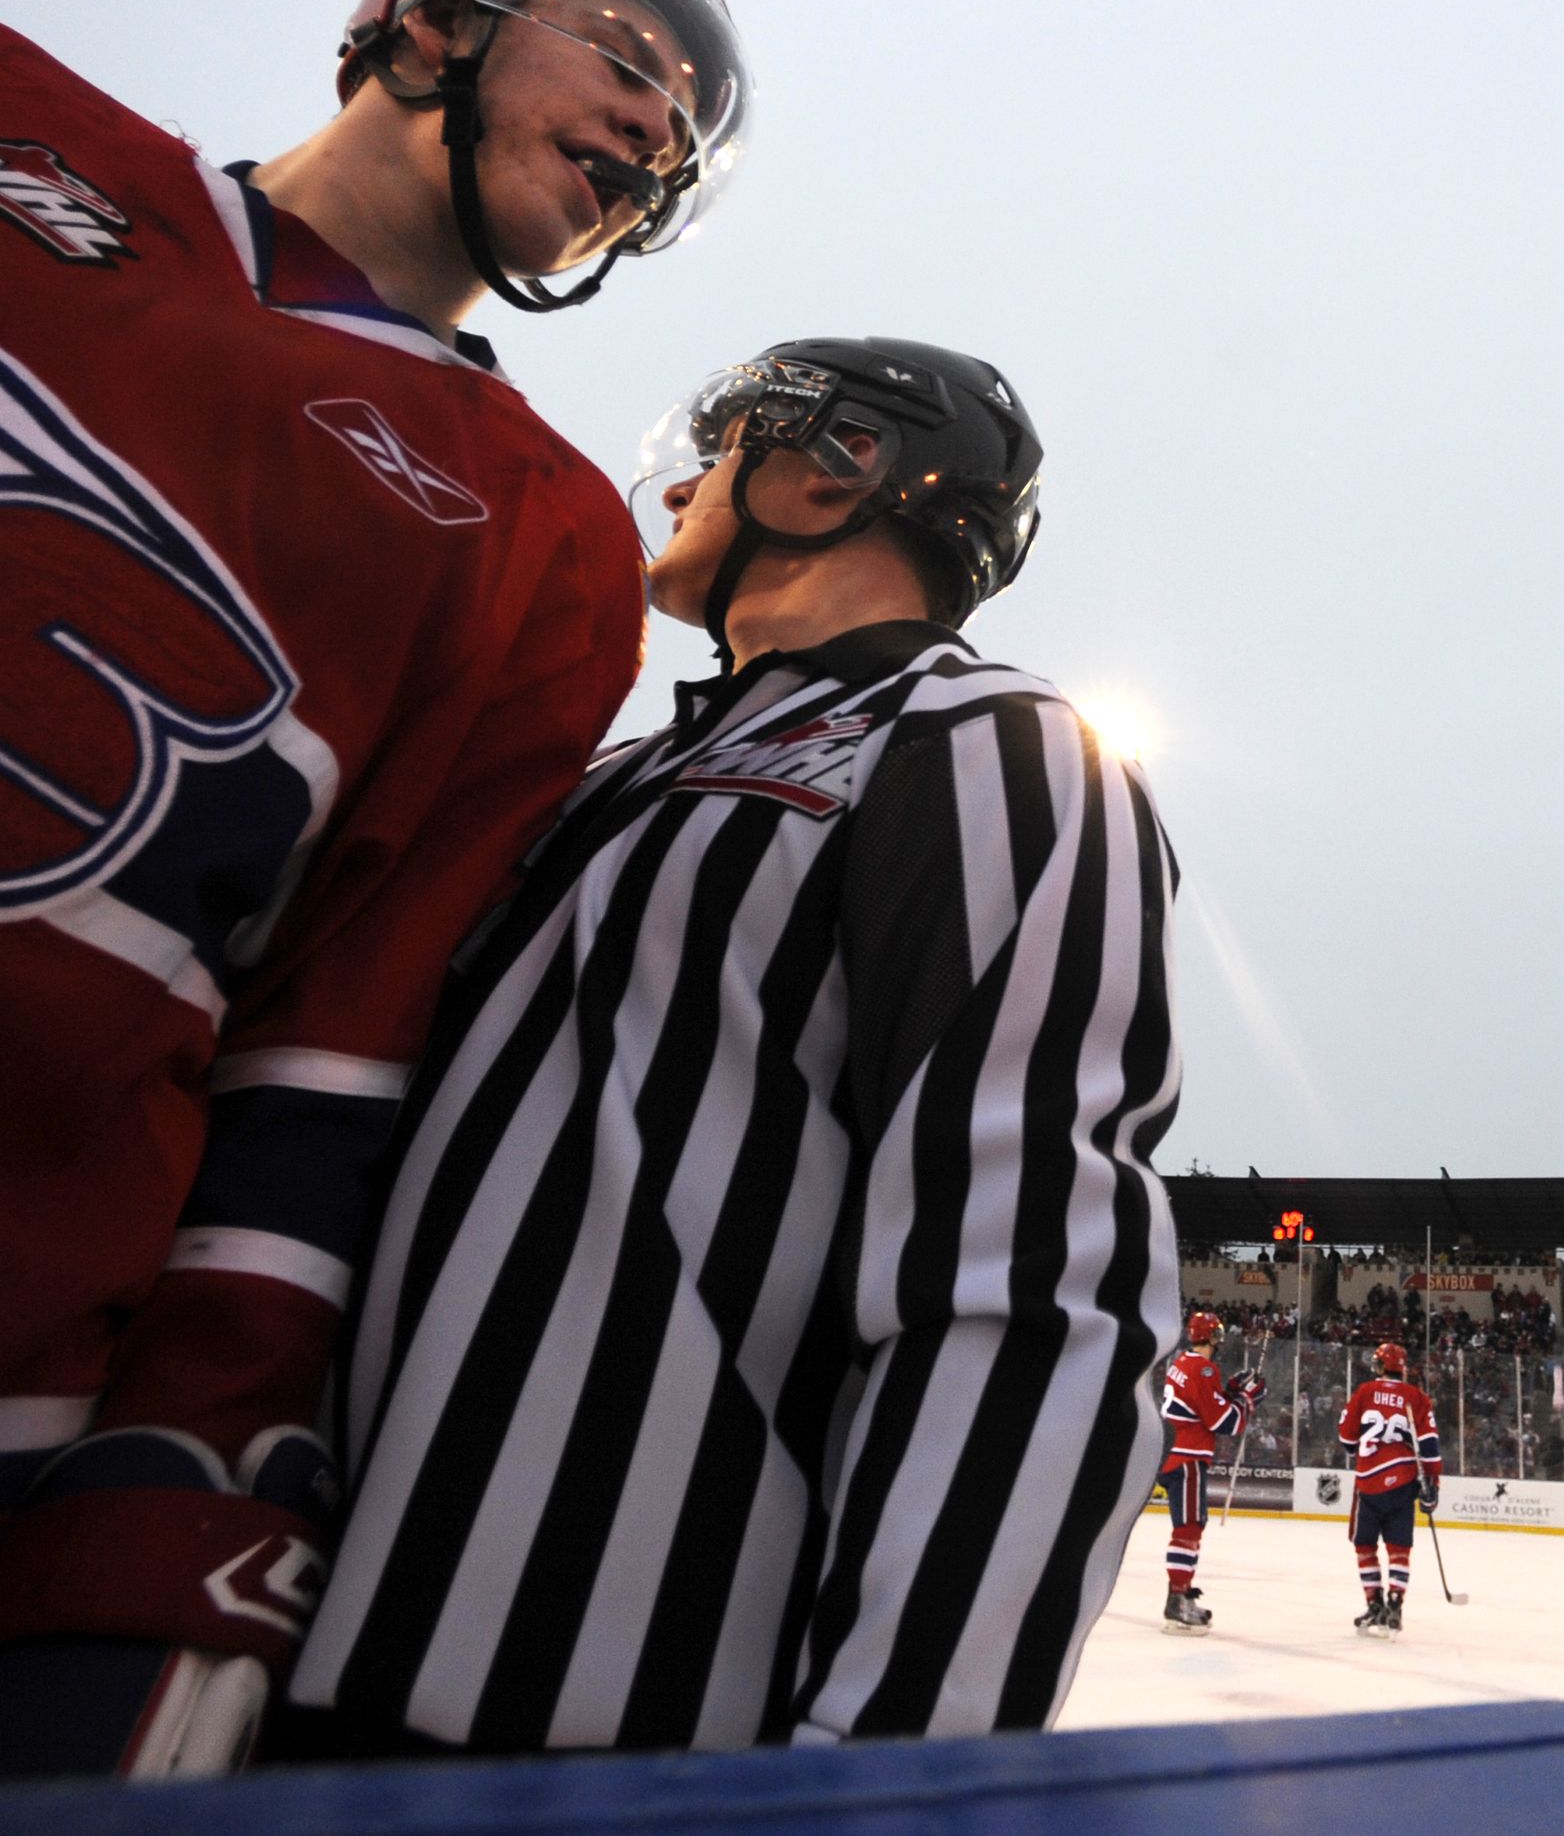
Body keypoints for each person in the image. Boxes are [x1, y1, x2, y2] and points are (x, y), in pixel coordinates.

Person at [0, 0, 747, 1778]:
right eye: (637, 61)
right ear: (432, 13)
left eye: (690, 139)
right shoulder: (30, 140)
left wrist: (185, 1508)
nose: (661, 139)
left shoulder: (549, 537)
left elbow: (321, 1062)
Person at [284, 339, 1181, 1753]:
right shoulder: (607, 781)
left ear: (841, 470)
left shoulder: (985, 744)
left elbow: (1026, 1288)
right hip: (299, 1669)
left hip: (617, 1733)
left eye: (726, 447)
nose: (684, 486)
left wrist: (895, 1775)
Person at [1157, 1312, 1265, 1633]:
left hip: (1175, 1454)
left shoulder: (1181, 1363)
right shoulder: (1202, 1368)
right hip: (1187, 1456)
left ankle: (1179, 1593)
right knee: (1189, 1528)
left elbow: (1204, 1405)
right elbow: (1224, 1423)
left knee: (1189, 1526)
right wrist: (1247, 1400)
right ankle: (1177, 1599)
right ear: (1213, 1337)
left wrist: (1229, 1391)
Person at [1336, 1341, 1441, 1634]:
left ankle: (1375, 1604)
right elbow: (1430, 1447)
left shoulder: (1365, 1392)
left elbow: (1346, 1441)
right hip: (1404, 1483)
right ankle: (1396, 1600)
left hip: (1368, 1481)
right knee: (1399, 1547)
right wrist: (1433, 1484)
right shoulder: (1417, 1397)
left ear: (1379, 1366)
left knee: (1364, 1545)